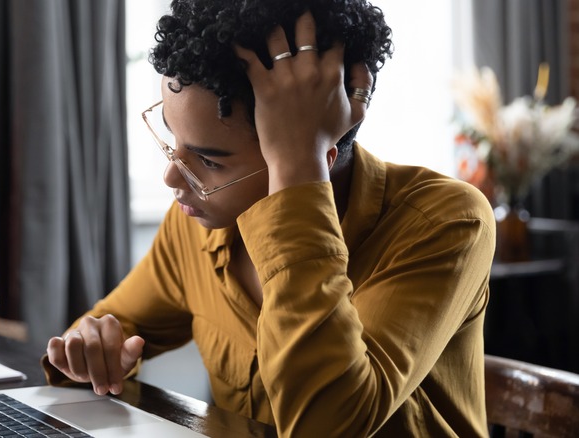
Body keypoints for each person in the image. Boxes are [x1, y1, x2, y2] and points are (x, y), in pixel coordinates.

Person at [43, 0, 495, 436]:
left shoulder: (445, 222)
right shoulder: (197, 223)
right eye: (172, 139)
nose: (170, 177)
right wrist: (91, 346)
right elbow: (111, 328)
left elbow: (326, 427)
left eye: (210, 161)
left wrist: (299, 166)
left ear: (321, 153)